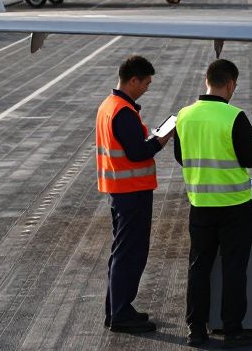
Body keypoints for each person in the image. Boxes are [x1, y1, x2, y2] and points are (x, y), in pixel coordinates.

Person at [174, 59, 252, 347]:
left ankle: (196, 330)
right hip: (234, 203)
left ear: (206, 80)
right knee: (233, 268)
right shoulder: (234, 117)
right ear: (230, 84)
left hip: (200, 202)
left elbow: (180, 155)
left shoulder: (184, 116)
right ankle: (232, 329)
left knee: (198, 267)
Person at [96, 55, 170, 334]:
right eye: (146, 83)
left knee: (121, 252)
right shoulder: (123, 111)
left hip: (118, 190)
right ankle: (121, 314)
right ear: (132, 80)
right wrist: (161, 140)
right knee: (131, 254)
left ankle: (115, 309)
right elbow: (137, 152)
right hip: (131, 193)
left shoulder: (108, 106)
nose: (147, 88)